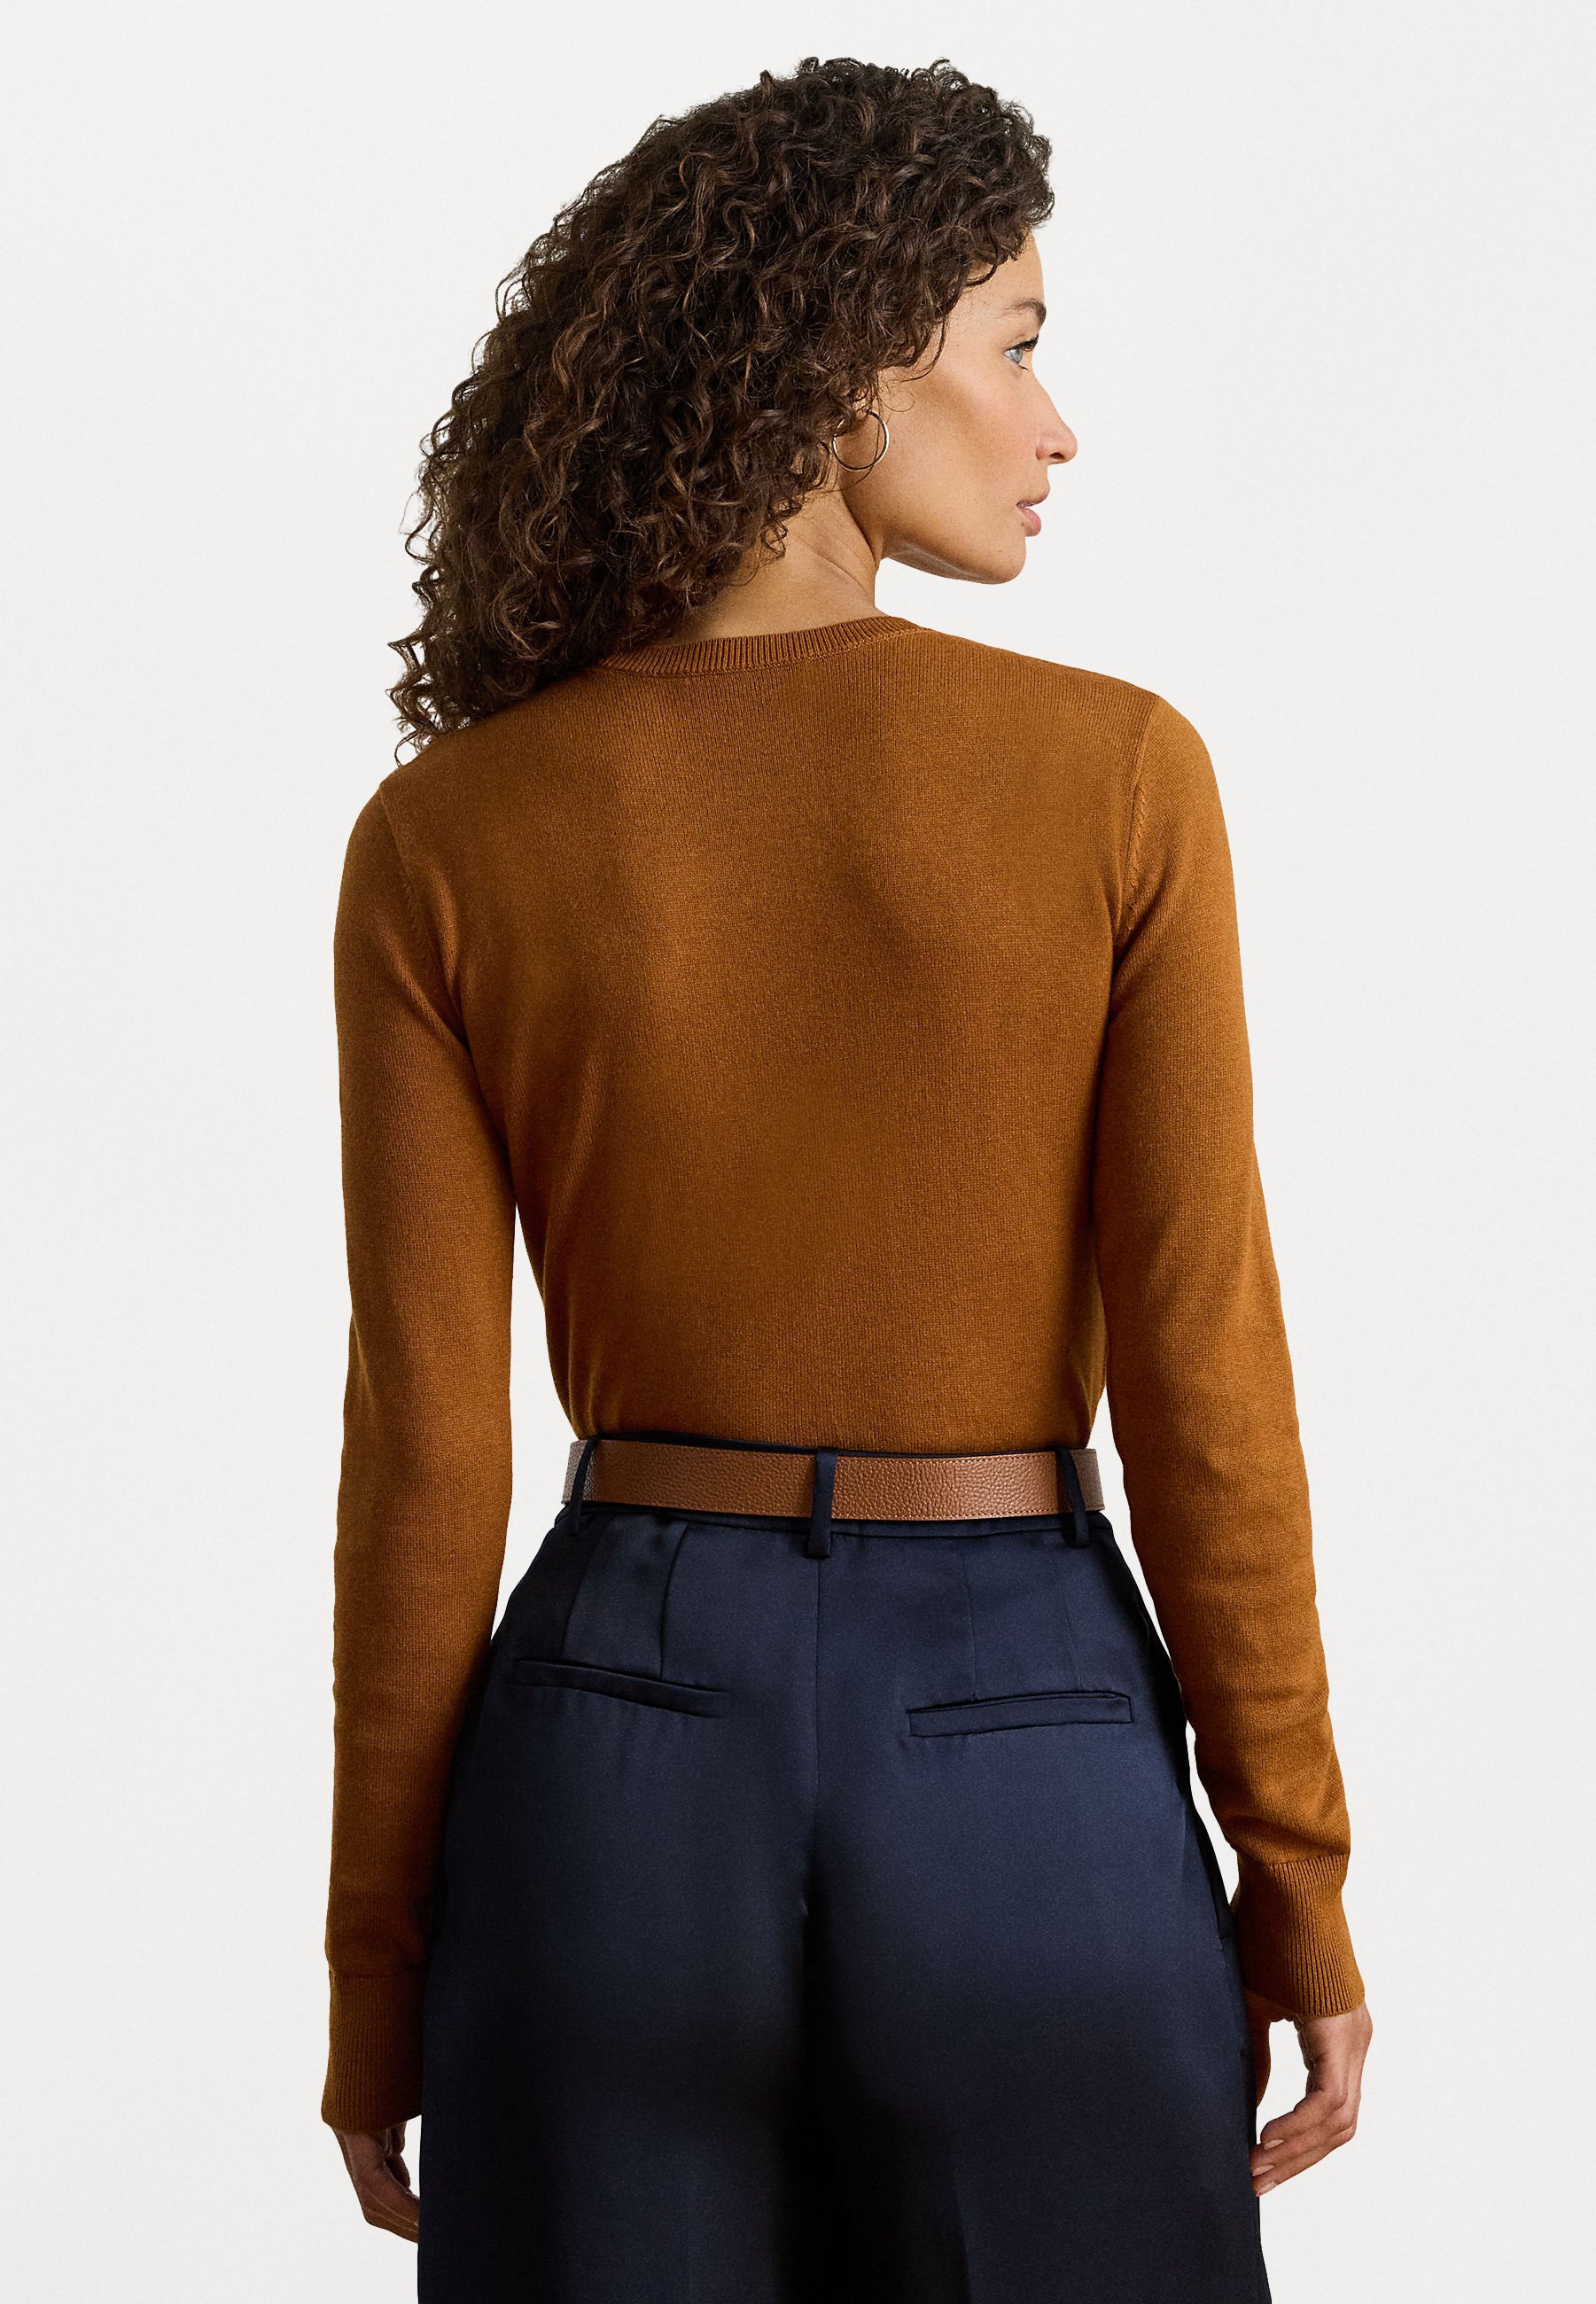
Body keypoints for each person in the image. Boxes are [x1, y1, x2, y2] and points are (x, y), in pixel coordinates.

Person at [322, 54, 1372, 2300]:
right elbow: (1201, 1375)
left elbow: (425, 1455)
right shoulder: (1113, 776)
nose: (1055, 424)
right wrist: (1294, 1876)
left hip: (610, 1759)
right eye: (1017, 341)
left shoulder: (447, 835)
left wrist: (377, 1963)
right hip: (1020, 1736)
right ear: (843, 362)